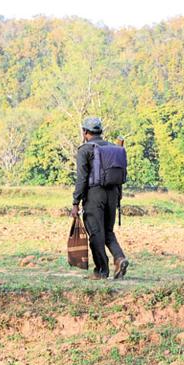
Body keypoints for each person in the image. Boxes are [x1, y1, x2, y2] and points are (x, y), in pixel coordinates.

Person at [71, 117, 129, 280]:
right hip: (113, 194)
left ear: (85, 132)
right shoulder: (114, 148)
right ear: (100, 132)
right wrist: (118, 197)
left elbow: (82, 179)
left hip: (94, 195)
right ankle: (119, 258)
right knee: (108, 231)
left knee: (96, 233)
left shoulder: (85, 150)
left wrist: (76, 202)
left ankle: (101, 271)